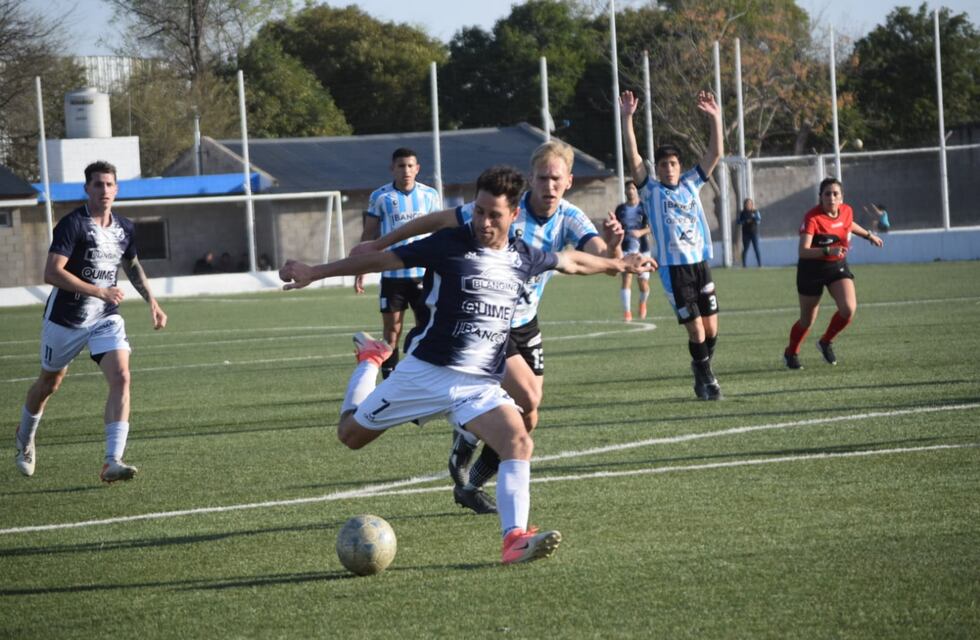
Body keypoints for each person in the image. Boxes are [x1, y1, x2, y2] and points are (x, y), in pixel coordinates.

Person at [279, 165, 654, 565]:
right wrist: (315, 272)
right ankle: (371, 361)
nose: (484, 222)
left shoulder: (523, 257)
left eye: (494, 215)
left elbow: (572, 261)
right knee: (350, 436)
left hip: (478, 385)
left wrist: (620, 264)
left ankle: (514, 539)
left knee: (519, 441)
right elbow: (385, 260)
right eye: (479, 211)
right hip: (425, 373)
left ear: (514, 216)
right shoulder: (448, 244)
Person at [350, 140, 627, 515]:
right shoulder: (501, 208)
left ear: (568, 182)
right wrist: (379, 243)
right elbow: (435, 221)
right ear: (530, 179)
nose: (548, 186)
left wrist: (613, 252)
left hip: (525, 322)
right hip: (485, 323)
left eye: (555, 179)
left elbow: (590, 256)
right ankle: (465, 439)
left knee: (530, 415)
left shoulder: (571, 217)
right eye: (542, 177)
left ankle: (471, 477)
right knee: (526, 396)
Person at [14, 160, 168, 482]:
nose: (105, 190)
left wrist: (152, 302)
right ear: (87, 189)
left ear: (117, 188)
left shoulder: (125, 227)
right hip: (66, 319)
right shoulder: (73, 225)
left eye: (110, 184)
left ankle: (112, 460)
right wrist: (98, 290)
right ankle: (25, 437)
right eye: (98, 185)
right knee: (49, 384)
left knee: (122, 377)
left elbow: (133, 265)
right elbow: (52, 272)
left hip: (105, 317)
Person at [620, 89, 725, 401]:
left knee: (712, 330)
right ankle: (707, 379)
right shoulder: (650, 190)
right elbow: (634, 157)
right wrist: (628, 118)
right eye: (663, 164)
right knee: (696, 331)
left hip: (700, 265)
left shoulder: (692, 182)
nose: (668, 168)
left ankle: (701, 368)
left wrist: (716, 119)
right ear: (659, 168)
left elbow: (714, 154)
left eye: (673, 163)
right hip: (674, 270)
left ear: (680, 166)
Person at [355, 148, 442, 380]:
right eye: (401, 166)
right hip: (393, 277)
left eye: (410, 166)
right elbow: (369, 236)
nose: (406, 170)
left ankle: (424, 376)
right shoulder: (380, 197)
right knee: (392, 331)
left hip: (424, 275)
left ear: (417, 169)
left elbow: (440, 232)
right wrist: (360, 266)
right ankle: (389, 380)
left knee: (427, 329)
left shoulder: (430, 195)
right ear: (392, 168)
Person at [783, 177, 884, 369]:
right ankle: (791, 353)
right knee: (807, 320)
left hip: (835, 266)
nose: (831, 197)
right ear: (820, 197)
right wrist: (828, 250)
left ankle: (826, 341)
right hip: (810, 269)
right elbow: (803, 251)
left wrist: (869, 236)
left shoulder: (846, 211)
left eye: (835, 193)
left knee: (848, 309)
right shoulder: (812, 218)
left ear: (842, 198)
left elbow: (848, 224)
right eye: (827, 193)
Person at [614, 180, 653, 321]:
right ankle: (627, 312)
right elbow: (616, 226)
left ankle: (642, 302)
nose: (630, 191)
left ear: (637, 191)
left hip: (642, 250)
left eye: (633, 188)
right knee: (626, 278)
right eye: (628, 188)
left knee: (643, 283)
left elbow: (652, 227)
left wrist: (640, 232)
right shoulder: (620, 209)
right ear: (625, 191)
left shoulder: (645, 208)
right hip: (626, 250)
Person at [737, 198, 762, 267]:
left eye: (750, 204)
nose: (748, 205)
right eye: (747, 204)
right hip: (745, 233)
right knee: (745, 249)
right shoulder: (742, 213)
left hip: (754, 233)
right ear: (745, 205)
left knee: (756, 248)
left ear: (752, 205)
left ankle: (760, 265)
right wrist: (744, 221)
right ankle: (744, 265)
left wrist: (754, 219)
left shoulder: (755, 212)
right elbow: (738, 222)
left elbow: (759, 220)